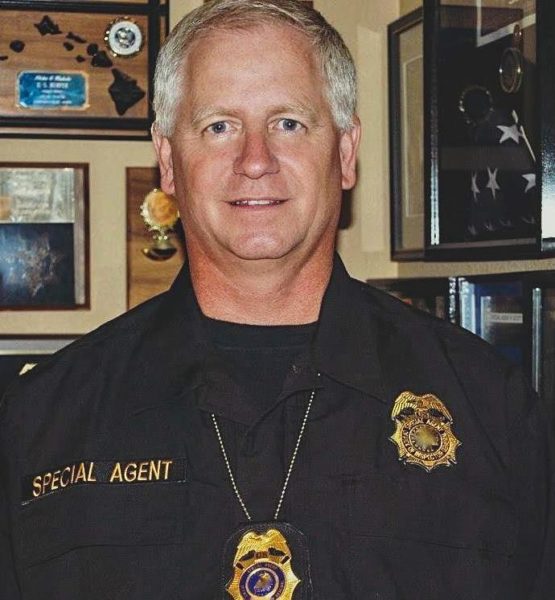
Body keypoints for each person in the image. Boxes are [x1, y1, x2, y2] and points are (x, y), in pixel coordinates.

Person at [1, 0, 554, 598]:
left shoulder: (491, 410)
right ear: (168, 160)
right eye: (219, 126)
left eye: (288, 123)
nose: (255, 161)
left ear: (345, 152)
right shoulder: (43, 421)